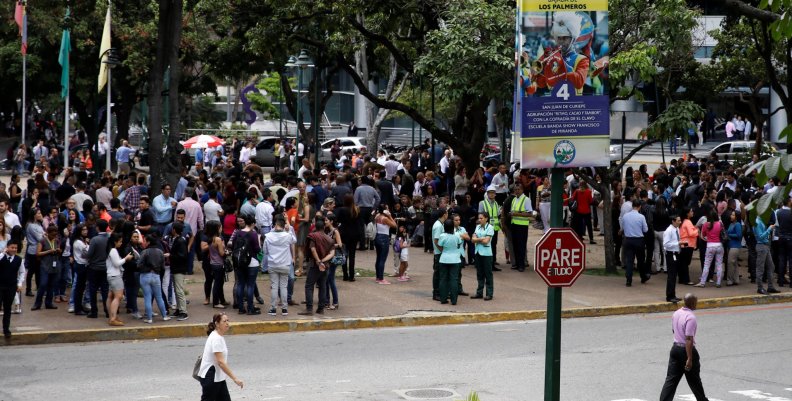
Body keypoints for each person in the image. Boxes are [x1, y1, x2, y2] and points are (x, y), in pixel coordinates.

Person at [659, 293, 709, 401]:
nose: (696, 304)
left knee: (671, 380)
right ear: (692, 303)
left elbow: (674, 330)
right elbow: (688, 339)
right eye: (696, 302)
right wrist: (689, 358)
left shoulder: (676, 313)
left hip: (675, 349)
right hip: (686, 351)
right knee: (694, 381)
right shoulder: (691, 317)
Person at [198, 313, 244, 400]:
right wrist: (235, 379)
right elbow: (221, 362)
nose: (227, 323)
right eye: (224, 321)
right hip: (211, 378)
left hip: (218, 377)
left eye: (228, 321)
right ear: (217, 324)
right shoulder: (216, 339)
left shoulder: (218, 336)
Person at [298, 218, 335, 316]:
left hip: (315, 265)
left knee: (309, 286)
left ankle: (309, 309)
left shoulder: (313, 236)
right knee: (322, 286)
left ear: (315, 227)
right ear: (323, 227)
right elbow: (332, 253)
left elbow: (312, 249)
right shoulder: (329, 239)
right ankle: (321, 308)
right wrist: (323, 260)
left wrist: (318, 261)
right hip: (325, 266)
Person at [265, 216, 295, 316]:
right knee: (284, 287)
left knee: (274, 287)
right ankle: (284, 309)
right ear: (283, 226)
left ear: (275, 225)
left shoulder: (268, 236)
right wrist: (289, 228)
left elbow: (265, 251)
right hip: (285, 264)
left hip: (272, 264)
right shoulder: (287, 236)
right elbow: (294, 240)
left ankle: (273, 308)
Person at [137, 234, 169, 324]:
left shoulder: (145, 252)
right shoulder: (160, 252)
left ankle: (149, 318)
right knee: (159, 297)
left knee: (147, 297)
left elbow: (139, 264)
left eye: (145, 240)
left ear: (148, 242)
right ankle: (164, 316)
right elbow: (163, 266)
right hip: (156, 276)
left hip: (145, 276)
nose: (143, 242)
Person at [106, 232, 135, 326]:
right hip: (115, 275)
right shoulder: (113, 250)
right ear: (115, 242)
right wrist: (126, 258)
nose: (121, 243)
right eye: (120, 242)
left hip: (110, 275)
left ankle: (111, 316)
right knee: (118, 296)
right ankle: (113, 317)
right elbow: (117, 263)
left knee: (110, 296)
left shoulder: (109, 250)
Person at [31, 224, 62, 311]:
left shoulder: (56, 241)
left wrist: (59, 251)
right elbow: (38, 253)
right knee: (43, 284)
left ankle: (49, 303)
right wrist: (49, 251)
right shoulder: (43, 241)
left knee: (52, 285)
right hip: (45, 265)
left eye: (55, 235)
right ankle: (37, 303)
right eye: (52, 234)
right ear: (48, 233)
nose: (54, 236)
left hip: (54, 265)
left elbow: (59, 250)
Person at [621, 200, 649, 286]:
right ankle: (643, 276)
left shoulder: (625, 216)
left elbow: (623, 226)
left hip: (628, 239)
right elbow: (645, 229)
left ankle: (629, 280)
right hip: (638, 240)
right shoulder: (641, 217)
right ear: (639, 207)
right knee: (640, 260)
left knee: (629, 260)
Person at [0, 242, 24, 337]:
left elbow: (22, 272)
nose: (14, 249)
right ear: (7, 248)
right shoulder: (1, 256)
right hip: (0, 285)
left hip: (11, 286)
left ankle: (6, 329)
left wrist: (19, 283)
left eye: (15, 248)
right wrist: (3, 253)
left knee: (7, 308)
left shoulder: (19, 260)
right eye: (12, 247)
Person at [695, 211, 724, 288]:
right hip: (719, 245)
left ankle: (702, 282)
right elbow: (722, 233)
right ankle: (718, 282)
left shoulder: (705, 225)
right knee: (719, 264)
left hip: (710, 245)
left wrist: (706, 238)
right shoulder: (720, 224)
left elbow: (703, 236)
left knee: (706, 265)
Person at [509, 184, 534, 272]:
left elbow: (529, 213)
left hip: (522, 225)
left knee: (521, 245)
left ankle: (521, 265)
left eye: (519, 189)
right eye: (515, 189)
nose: (517, 191)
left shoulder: (526, 199)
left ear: (522, 190)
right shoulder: (514, 199)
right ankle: (517, 264)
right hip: (514, 224)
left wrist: (516, 214)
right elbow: (513, 211)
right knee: (515, 245)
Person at [437, 219, 462, 305]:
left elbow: (440, 245)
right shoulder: (457, 235)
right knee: (454, 279)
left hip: (444, 258)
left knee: (443, 279)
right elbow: (459, 245)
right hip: (455, 259)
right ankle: (454, 300)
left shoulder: (442, 235)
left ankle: (443, 299)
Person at [754, 215, 780, 295]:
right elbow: (760, 237)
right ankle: (760, 288)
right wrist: (769, 229)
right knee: (760, 268)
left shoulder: (761, 221)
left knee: (771, 266)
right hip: (762, 246)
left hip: (765, 246)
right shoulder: (757, 222)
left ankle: (770, 287)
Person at [471, 212, 494, 300]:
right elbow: (473, 240)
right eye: (479, 218)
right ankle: (479, 292)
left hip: (486, 253)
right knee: (479, 273)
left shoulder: (490, 228)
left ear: (486, 218)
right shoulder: (477, 227)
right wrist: (481, 238)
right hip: (478, 252)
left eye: (481, 218)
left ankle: (489, 293)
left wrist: (477, 239)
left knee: (488, 274)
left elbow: (486, 241)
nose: (479, 220)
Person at [373, 205, 398, 284]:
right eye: (387, 208)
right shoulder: (385, 218)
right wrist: (390, 216)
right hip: (384, 237)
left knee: (378, 258)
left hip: (377, 236)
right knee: (382, 259)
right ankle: (381, 278)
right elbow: (394, 225)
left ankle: (378, 277)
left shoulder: (377, 216)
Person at [478, 185, 501, 269]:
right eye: (490, 193)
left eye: (493, 193)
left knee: (493, 245)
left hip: (494, 228)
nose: (491, 194)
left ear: (495, 194)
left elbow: (498, 215)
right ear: (487, 194)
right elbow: (480, 216)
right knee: (485, 245)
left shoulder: (496, 203)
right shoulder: (482, 203)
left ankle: (492, 263)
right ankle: (484, 264)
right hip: (486, 228)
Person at [663, 215, 683, 303]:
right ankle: (669, 296)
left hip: (676, 253)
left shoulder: (676, 229)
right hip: (671, 254)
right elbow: (666, 244)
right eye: (678, 220)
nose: (680, 222)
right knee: (671, 275)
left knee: (674, 275)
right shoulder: (669, 231)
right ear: (673, 221)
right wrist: (677, 243)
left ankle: (673, 294)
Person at [725, 211, 742, 286]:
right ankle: (736, 279)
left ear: (736, 217)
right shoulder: (731, 224)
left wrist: (729, 234)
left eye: (733, 215)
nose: (731, 216)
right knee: (734, 263)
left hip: (735, 246)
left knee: (730, 262)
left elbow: (739, 235)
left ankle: (730, 280)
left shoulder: (737, 224)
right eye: (731, 214)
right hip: (730, 245)